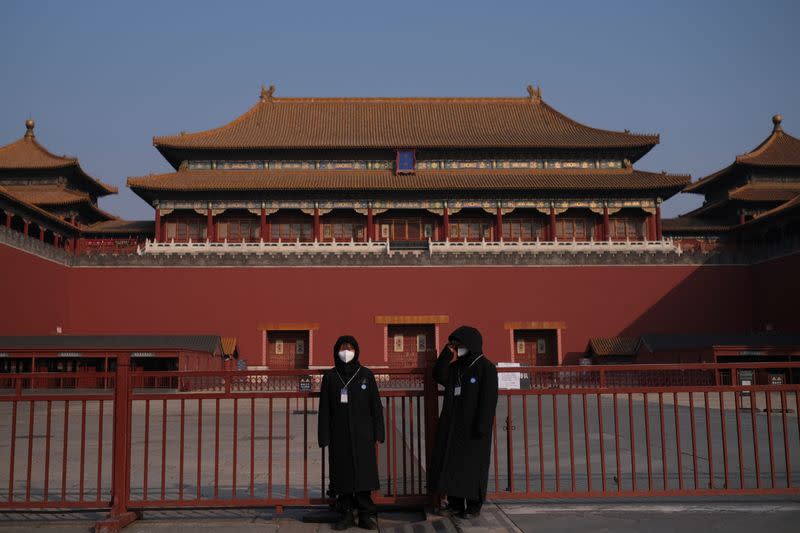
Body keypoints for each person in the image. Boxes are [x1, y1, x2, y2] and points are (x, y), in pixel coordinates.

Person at [429, 325, 498, 519]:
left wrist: (483, 425)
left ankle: (474, 506)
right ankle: (455, 504)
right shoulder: (455, 368)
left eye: (460, 345)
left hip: (475, 428)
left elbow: (488, 400)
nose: (458, 348)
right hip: (453, 426)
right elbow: (437, 374)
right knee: (453, 466)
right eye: (455, 345)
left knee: (473, 467)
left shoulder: (486, 367)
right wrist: (446, 352)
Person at [318, 335, 385, 530]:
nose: (346, 352)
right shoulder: (330, 377)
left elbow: (376, 406)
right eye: (342, 348)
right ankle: (346, 513)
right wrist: (324, 436)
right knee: (343, 475)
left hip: (363, 434)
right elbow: (324, 410)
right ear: (336, 352)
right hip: (339, 435)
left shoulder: (366, 375)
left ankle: (365, 514)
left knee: (364, 475)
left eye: (350, 348)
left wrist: (378, 432)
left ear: (356, 351)